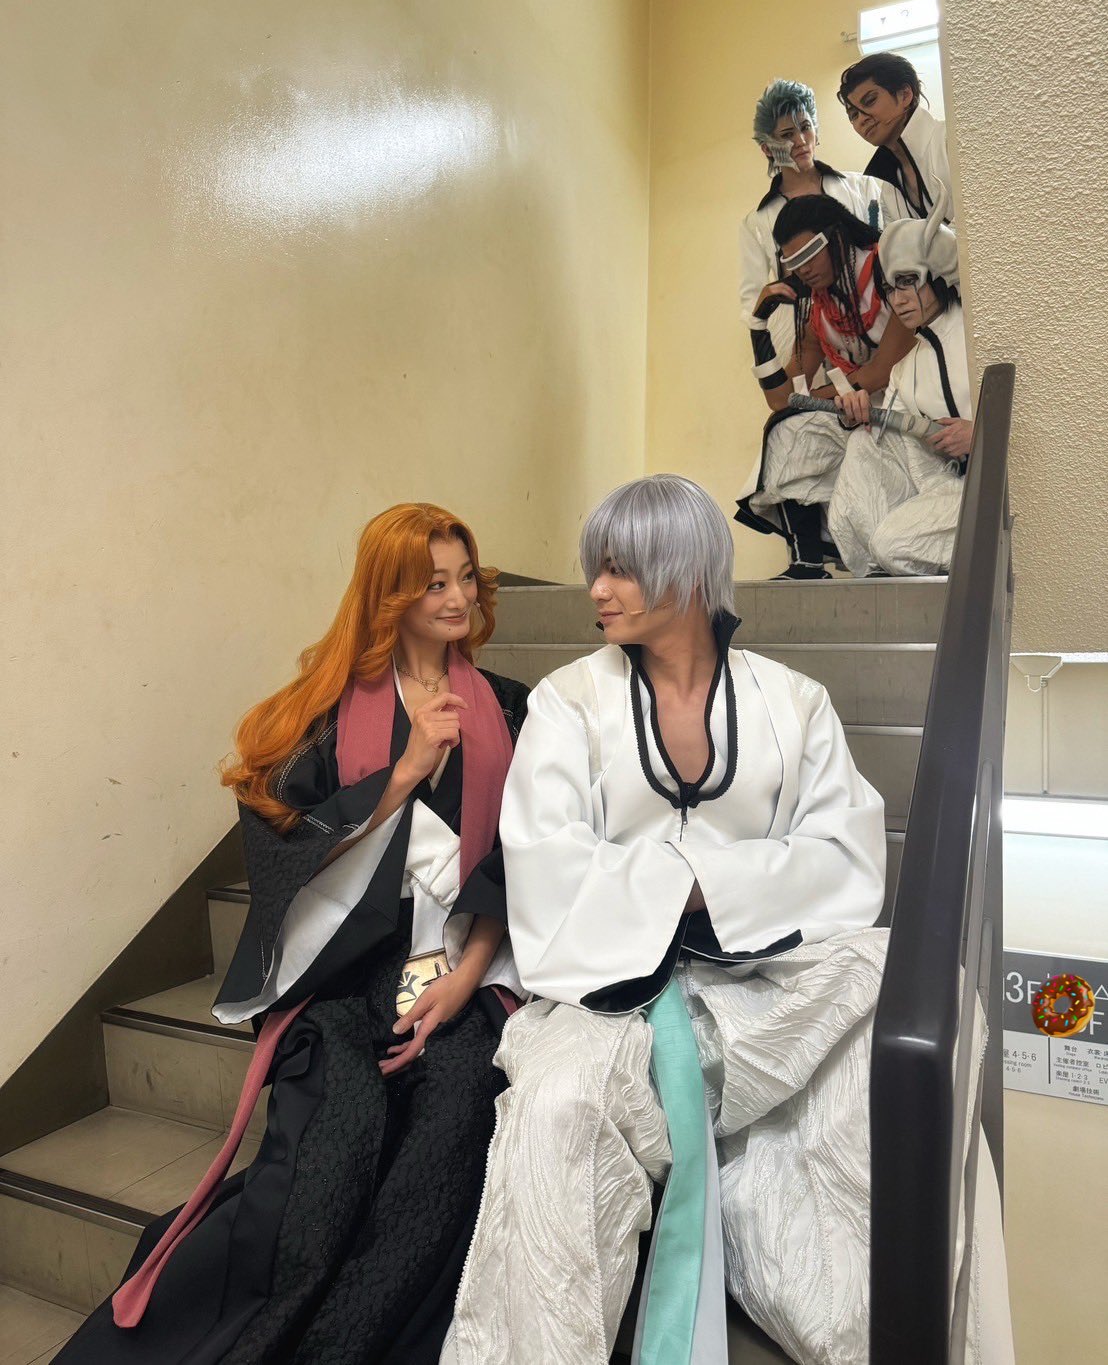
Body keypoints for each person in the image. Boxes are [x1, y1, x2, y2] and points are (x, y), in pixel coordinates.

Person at [441, 475, 1012, 1365]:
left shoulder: (794, 701)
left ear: (686, 570)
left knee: (902, 981)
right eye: (596, 568)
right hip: (607, 995)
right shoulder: (566, 702)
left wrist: (691, 882)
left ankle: (884, 1324)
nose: (597, 589)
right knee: (554, 1109)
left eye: (620, 569)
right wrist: (719, 877)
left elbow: (845, 853)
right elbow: (546, 863)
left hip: (761, 988)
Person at [58, 504, 529, 1365]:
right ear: (391, 595)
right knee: (324, 1171)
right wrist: (402, 776)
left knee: (448, 1144)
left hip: (464, 968)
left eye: (466, 577)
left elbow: (524, 853)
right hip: (344, 979)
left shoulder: (508, 706)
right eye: (435, 583)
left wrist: (466, 978)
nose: (459, 597)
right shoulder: (327, 715)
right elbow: (279, 841)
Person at [735, 195, 914, 579]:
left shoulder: (889, 268)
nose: (803, 269)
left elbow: (880, 372)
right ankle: (807, 563)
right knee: (788, 430)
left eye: (809, 254)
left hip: (915, 411)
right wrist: (758, 328)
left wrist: (811, 399)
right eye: (793, 262)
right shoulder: (818, 310)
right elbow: (781, 401)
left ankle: (885, 560)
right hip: (857, 414)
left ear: (837, 236)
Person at [829, 190, 974, 576]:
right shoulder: (904, 370)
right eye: (891, 289)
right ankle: (875, 565)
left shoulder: (981, 334)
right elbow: (890, 448)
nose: (899, 299)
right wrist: (857, 414)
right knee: (864, 441)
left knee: (893, 543)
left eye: (909, 282)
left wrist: (982, 434)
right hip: (948, 488)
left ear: (937, 273)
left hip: (1008, 483)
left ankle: (889, 555)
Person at [740, 79, 883, 398]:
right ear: (767, 148)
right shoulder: (757, 224)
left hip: (876, 331)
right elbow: (754, 303)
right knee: (800, 416)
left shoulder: (864, 189)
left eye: (805, 127)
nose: (800, 140)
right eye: (786, 135)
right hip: (805, 345)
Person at [838, 51, 952, 223]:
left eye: (869, 101)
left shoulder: (951, 141)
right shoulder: (888, 191)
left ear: (905, 94)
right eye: (853, 115)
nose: (861, 119)